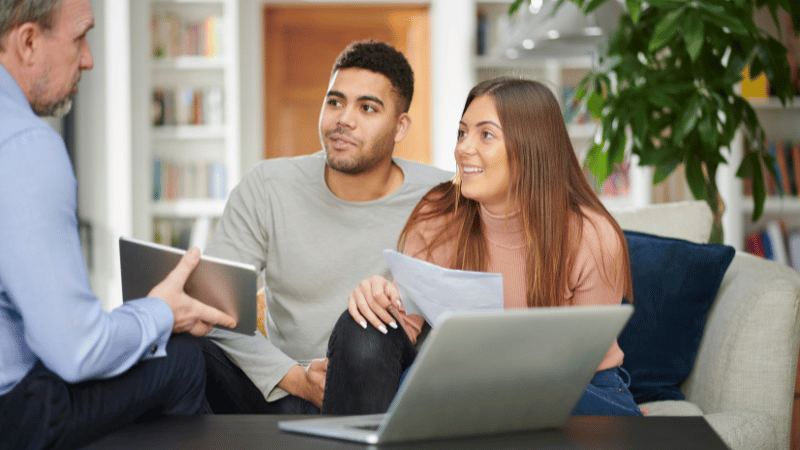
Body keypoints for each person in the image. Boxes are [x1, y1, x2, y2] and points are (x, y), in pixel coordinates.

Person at [323, 76, 643, 417]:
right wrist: (379, 299)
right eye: (462, 132)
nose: (463, 148)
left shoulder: (591, 235)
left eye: (485, 134)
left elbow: (578, 365)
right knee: (363, 329)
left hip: (578, 385)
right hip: (469, 380)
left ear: (530, 147)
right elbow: (406, 325)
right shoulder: (439, 214)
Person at [0, 1, 237, 448]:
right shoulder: (27, 147)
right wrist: (164, 311)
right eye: (80, 38)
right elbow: (77, 351)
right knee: (183, 357)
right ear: (28, 42)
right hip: (13, 415)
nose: (88, 59)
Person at [199, 40, 453, 414]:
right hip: (284, 386)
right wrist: (294, 377)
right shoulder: (268, 185)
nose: (343, 119)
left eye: (367, 107)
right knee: (177, 346)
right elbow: (212, 309)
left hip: (384, 387)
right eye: (335, 102)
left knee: (367, 336)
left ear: (400, 127)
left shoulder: (441, 196)